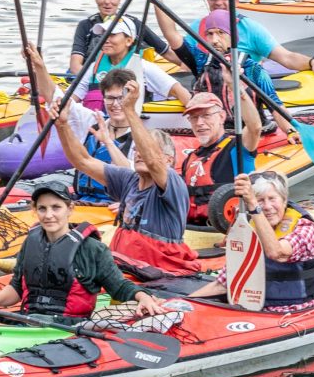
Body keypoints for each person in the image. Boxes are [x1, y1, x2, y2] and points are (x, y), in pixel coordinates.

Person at [24, 45, 203, 276]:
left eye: (146, 150)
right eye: (137, 149)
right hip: (123, 266)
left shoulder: (172, 183)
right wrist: (62, 125)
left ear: (169, 159)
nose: (139, 153)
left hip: (161, 272)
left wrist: (130, 110)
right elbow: (82, 161)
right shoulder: (128, 180)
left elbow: (153, 161)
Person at [0, 182, 167, 322]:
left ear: (70, 209)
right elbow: (17, 288)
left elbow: (119, 287)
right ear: (35, 210)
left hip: (69, 327)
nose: (48, 215)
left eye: (56, 207)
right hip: (29, 319)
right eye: (42, 209)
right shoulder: (30, 243)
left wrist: (144, 297)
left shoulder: (93, 249)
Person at [189, 171, 314, 313]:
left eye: (272, 199)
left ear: (284, 201)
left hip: (294, 312)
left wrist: (254, 205)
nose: (267, 207)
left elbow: (277, 253)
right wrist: (184, 303)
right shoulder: (249, 231)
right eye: (260, 200)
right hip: (256, 311)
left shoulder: (306, 229)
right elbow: (224, 284)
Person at [159, 0, 314, 83]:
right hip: (209, 84)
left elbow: (286, 57)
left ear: (236, 1)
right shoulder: (200, 25)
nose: (219, 3)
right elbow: (179, 50)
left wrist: (312, 62)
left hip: (244, 85)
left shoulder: (251, 28)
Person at [172, 9, 274, 132]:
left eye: (221, 33)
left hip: (253, 133)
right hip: (216, 132)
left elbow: (276, 106)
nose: (214, 40)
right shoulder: (201, 61)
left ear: (232, 37)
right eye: (210, 34)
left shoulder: (254, 69)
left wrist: (290, 130)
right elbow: (171, 35)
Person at [69, 0, 171, 77]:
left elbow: (167, 53)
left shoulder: (134, 24)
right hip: (95, 79)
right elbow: (75, 66)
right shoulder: (85, 26)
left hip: (127, 81)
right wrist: (98, 82)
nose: (107, 1)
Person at [176, 90, 262, 212]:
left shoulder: (236, 148)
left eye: (206, 115)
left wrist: (237, 89)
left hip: (229, 226)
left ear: (222, 117)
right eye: (194, 117)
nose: (199, 123)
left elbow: (255, 127)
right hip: (193, 228)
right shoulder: (190, 158)